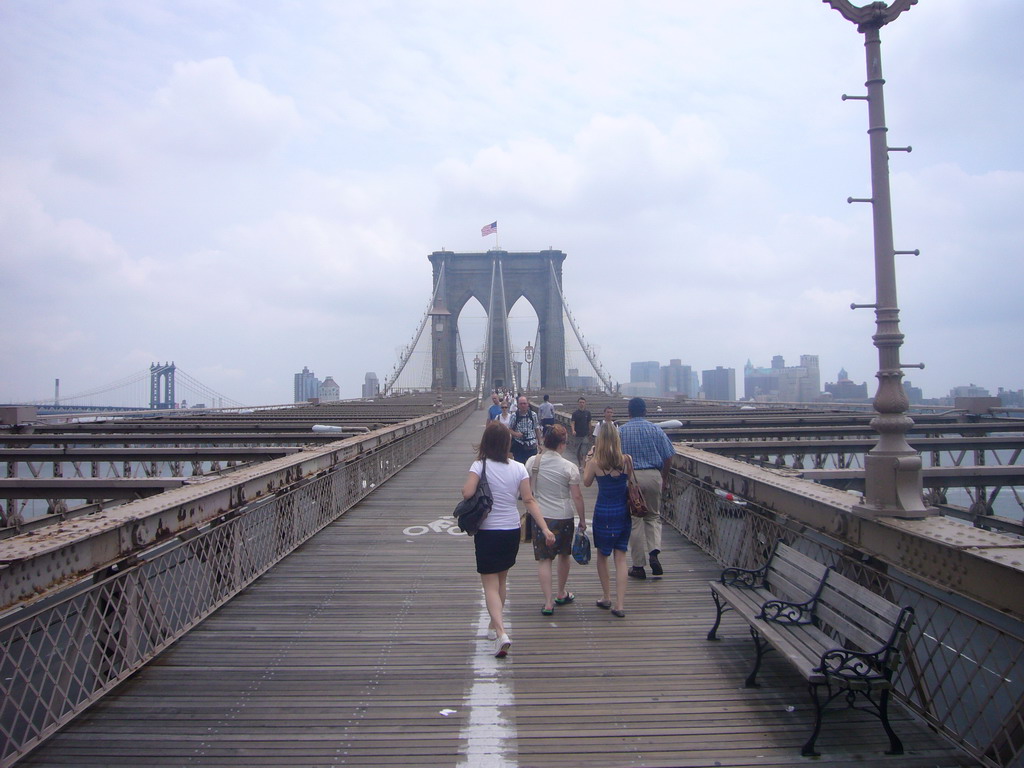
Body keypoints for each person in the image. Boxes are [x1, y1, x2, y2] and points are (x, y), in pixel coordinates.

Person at [462, 421, 555, 658]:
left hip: (487, 531)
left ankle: (501, 631)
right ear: (507, 443)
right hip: (511, 531)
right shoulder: (519, 468)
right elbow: (529, 500)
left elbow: (467, 493)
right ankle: (494, 626)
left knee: (489, 585)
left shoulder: (479, 465)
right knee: (501, 580)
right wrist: (545, 529)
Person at [525, 425, 587, 615]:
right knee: (563, 555)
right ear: (562, 444)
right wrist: (582, 520)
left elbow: (527, 490)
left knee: (544, 559)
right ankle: (561, 592)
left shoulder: (532, 462)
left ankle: (548, 601)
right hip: (564, 516)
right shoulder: (569, 467)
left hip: (541, 517)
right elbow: (577, 497)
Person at [618, 397, 675, 580]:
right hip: (653, 475)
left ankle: (638, 566)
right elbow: (668, 456)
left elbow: (616, 458)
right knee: (653, 516)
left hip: (632, 478)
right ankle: (653, 552)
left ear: (629, 412)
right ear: (645, 412)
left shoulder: (621, 431)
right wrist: (663, 477)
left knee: (635, 520)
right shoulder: (655, 429)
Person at [582, 423, 631, 617]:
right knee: (621, 557)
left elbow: (586, 482)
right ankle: (619, 604)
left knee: (603, 555)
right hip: (623, 511)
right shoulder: (627, 460)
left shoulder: (595, 462)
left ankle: (606, 596)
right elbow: (629, 481)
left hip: (603, 511)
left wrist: (588, 458)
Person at [509, 395, 542, 465]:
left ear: (528, 404)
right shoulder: (514, 416)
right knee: (519, 465)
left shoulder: (533, 415)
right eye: (521, 404)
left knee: (533, 465)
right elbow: (509, 429)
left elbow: (537, 429)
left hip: (531, 444)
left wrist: (540, 443)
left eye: (524, 403)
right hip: (519, 445)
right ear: (518, 405)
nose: (523, 405)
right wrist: (516, 434)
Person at [570, 397, 592, 465]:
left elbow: (589, 423)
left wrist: (590, 432)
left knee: (584, 451)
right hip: (577, 435)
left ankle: (583, 466)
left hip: (585, 435)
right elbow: (573, 423)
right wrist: (573, 430)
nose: (581, 404)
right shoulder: (575, 413)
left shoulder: (588, 413)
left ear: (585, 403)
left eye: (583, 402)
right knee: (577, 451)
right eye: (580, 402)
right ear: (578, 403)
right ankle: (580, 464)